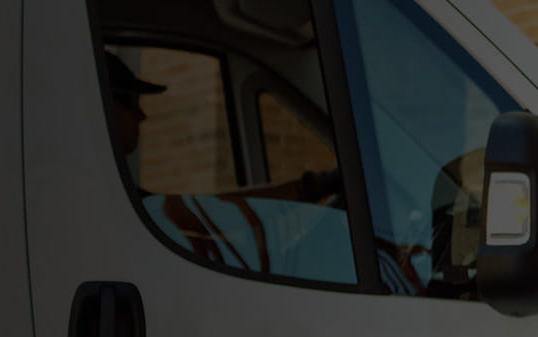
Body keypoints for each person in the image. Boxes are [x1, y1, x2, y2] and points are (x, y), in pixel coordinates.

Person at [100, 50, 352, 281]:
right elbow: (204, 213)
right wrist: (316, 185)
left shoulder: (110, 189)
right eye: (131, 102)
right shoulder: (100, 192)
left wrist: (315, 186)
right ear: (105, 105)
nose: (141, 115)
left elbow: (202, 211)